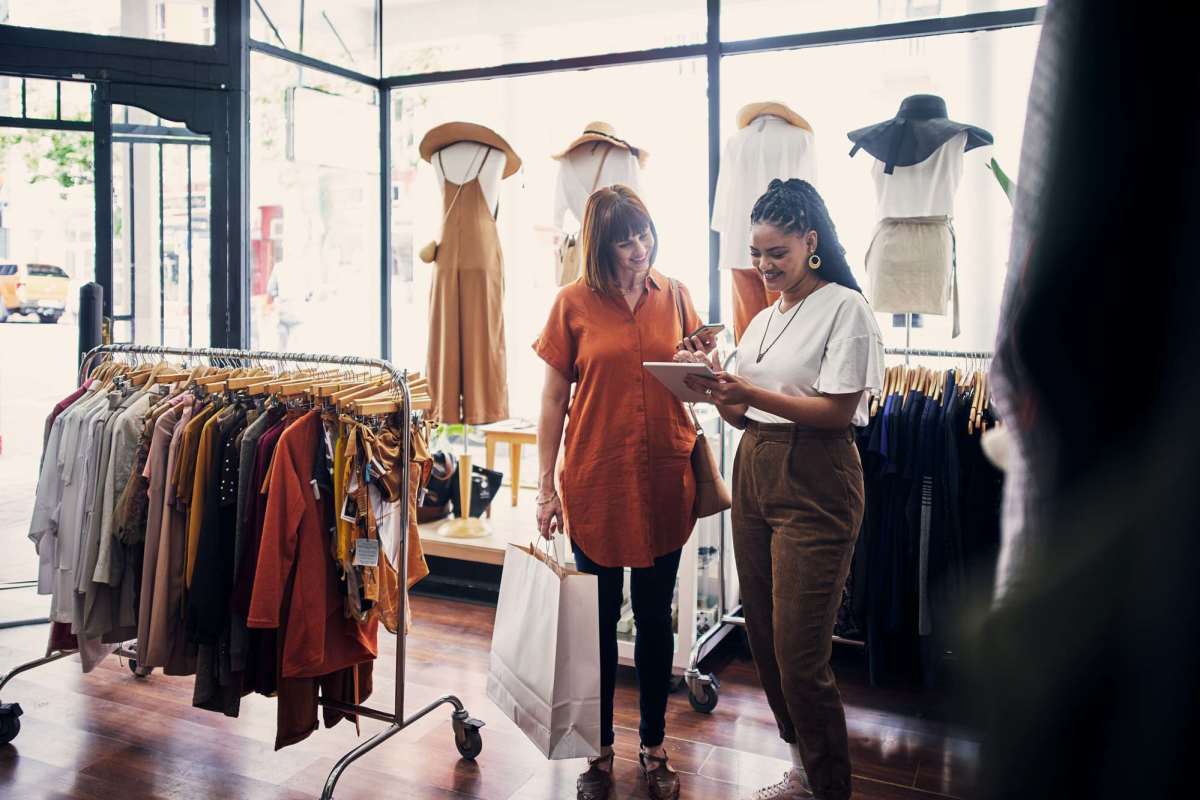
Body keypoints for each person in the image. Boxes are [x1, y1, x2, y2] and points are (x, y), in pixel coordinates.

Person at [681, 178, 884, 800]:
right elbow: (744, 415)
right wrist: (714, 382)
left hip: (817, 477)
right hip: (755, 467)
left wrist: (751, 394)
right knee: (764, 639)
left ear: (810, 242)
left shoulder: (844, 307)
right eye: (758, 254)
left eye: (778, 253)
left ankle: (829, 789)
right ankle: (800, 768)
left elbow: (838, 410)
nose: (766, 267)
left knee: (800, 653)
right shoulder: (765, 318)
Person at [534, 185, 714, 800]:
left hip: (666, 475)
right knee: (600, 622)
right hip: (597, 479)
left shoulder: (678, 295)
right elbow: (554, 402)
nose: (639, 249)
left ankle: (655, 745)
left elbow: (698, 388)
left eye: (644, 234)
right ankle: (600, 750)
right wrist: (544, 489)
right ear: (600, 245)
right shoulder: (571, 304)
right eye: (624, 240)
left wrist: (700, 364)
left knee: (657, 617)